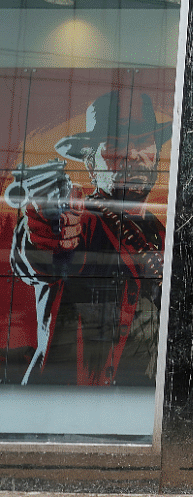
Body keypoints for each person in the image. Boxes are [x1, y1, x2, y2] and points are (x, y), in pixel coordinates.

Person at [8, 90, 169, 386]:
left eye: (144, 142)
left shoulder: (161, 233)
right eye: (115, 146)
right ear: (90, 163)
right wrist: (49, 227)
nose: (133, 156)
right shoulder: (84, 219)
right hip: (69, 401)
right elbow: (37, 253)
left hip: (141, 400)